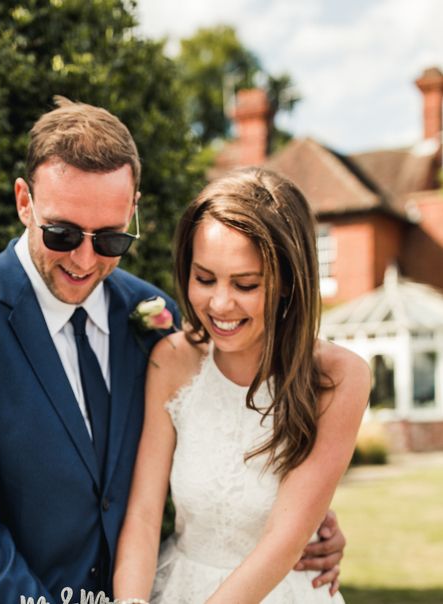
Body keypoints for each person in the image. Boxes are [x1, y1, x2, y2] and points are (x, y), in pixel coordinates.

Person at [0, 100, 348, 604]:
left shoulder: (151, 312)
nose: (85, 259)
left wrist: (304, 523)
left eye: (111, 237)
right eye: (62, 233)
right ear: (24, 202)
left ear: (133, 208)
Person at [113, 168, 370, 604]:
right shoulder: (172, 360)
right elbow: (142, 514)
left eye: (245, 284)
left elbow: (282, 542)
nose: (219, 304)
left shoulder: (339, 378)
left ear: (288, 281)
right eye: (204, 278)